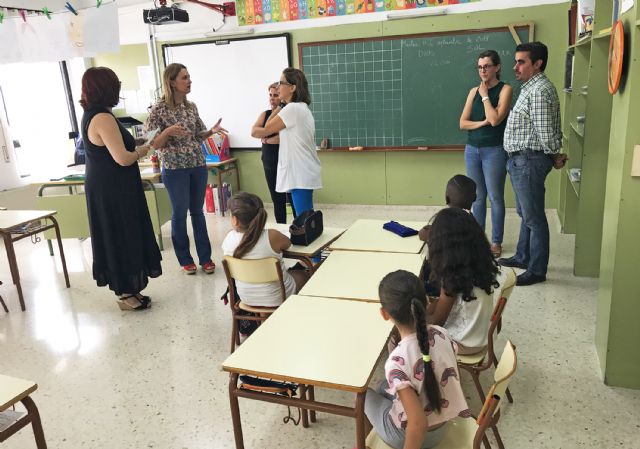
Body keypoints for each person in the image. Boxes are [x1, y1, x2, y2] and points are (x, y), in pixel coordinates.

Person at [80, 67, 162, 311]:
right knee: (121, 233)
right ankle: (127, 293)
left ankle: (131, 289)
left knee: (126, 232)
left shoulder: (99, 114)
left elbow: (113, 145)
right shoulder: (102, 117)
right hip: (112, 188)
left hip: (112, 184)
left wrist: (136, 142)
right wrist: (145, 149)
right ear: (106, 87)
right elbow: (122, 158)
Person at [365, 270, 470, 449]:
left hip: (409, 437)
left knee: (362, 395)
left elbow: (418, 424)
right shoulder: (442, 333)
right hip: (443, 424)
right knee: (383, 386)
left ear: (384, 314)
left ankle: (364, 444)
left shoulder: (396, 362)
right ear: (427, 301)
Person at [145, 63, 227, 275]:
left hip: (197, 165)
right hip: (174, 168)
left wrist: (211, 132)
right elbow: (152, 144)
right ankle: (185, 259)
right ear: (172, 81)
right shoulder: (158, 110)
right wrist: (169, 131)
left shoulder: (191, 107)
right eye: (185, 77)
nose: (189, 81)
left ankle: (206, 259)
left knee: (198, 213)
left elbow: (197, 135)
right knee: (179, 214)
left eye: (189, 77)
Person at [499, 42, 568, 286]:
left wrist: (554, 154)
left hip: (528, 160)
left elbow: (546, 132)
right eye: (516, 61)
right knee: (526, 214)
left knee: (534, 217)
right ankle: (523, 256)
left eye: (521, 62)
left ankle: (537, 270)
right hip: (522, 160)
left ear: (537, 64)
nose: (515, 67)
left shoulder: (538, 91)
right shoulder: (531, 87)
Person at [460, 50, 513, 258]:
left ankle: (496, 242)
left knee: (495, 197)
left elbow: (495, 119)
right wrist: (481, 122)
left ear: (497, 67)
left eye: (487, 66)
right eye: (480, 67)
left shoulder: (505, 89)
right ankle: (478, 238)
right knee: (477, 197)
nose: (483, 70)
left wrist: (484, 97)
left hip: (495, 150)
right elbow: (463, 123)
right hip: (472, 150)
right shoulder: (472, 91)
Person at [426, 207, 499, 355]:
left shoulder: (452, 279)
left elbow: (437, 323)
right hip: (484, 337)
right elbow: (444, 304)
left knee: (400, 332)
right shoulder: (480, 265)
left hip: (464, 344)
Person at [251, 68, 321, 216]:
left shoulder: (293, 109)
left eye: (281, 83)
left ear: (292, 88)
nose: (277, 87)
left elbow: (266, 128)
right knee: (305, 220)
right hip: (301, 171)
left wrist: (280, 106)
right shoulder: (300, 108)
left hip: (300, 173)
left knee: (304, 222)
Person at [221, 192, 311, 307]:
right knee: (306, 274)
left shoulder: (228, 239)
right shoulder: (272, 236)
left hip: (246, 298)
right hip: (278, 297)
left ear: (235, 220)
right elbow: (288, 244)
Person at [251, 82, 296, 223]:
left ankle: (299, 226)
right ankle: (281, 228)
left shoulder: (288, 113)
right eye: (270, 95)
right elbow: (254, 132)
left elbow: (288, 137)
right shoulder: (265, 114)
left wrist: (268, 138)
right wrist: (269, 136)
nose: (272, 98)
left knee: (292, 197)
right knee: (277, 198)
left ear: (282, 96)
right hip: (270, 160)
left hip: (287, 159)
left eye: (275, 95)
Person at [418, 174, 476, 242]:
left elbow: (422, 234)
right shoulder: (472, 222)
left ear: (446, 198)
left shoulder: (444, 220)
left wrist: (432, 230)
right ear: (474, 198)